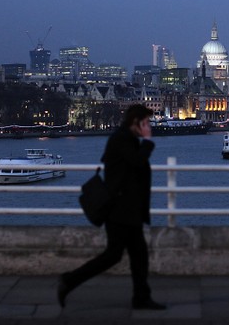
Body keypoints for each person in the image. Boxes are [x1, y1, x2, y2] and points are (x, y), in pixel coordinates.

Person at [57, 104, 166, 310]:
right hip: (120, 210)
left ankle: (141, 297)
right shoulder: (122, 139)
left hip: (126, 209)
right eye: (146, 122)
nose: (148, 126)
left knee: (137, 254)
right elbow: (136, 162)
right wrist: (148, 142)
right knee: (115, 255)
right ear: (137, 122)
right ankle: (69, 280)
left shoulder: (126, 138)